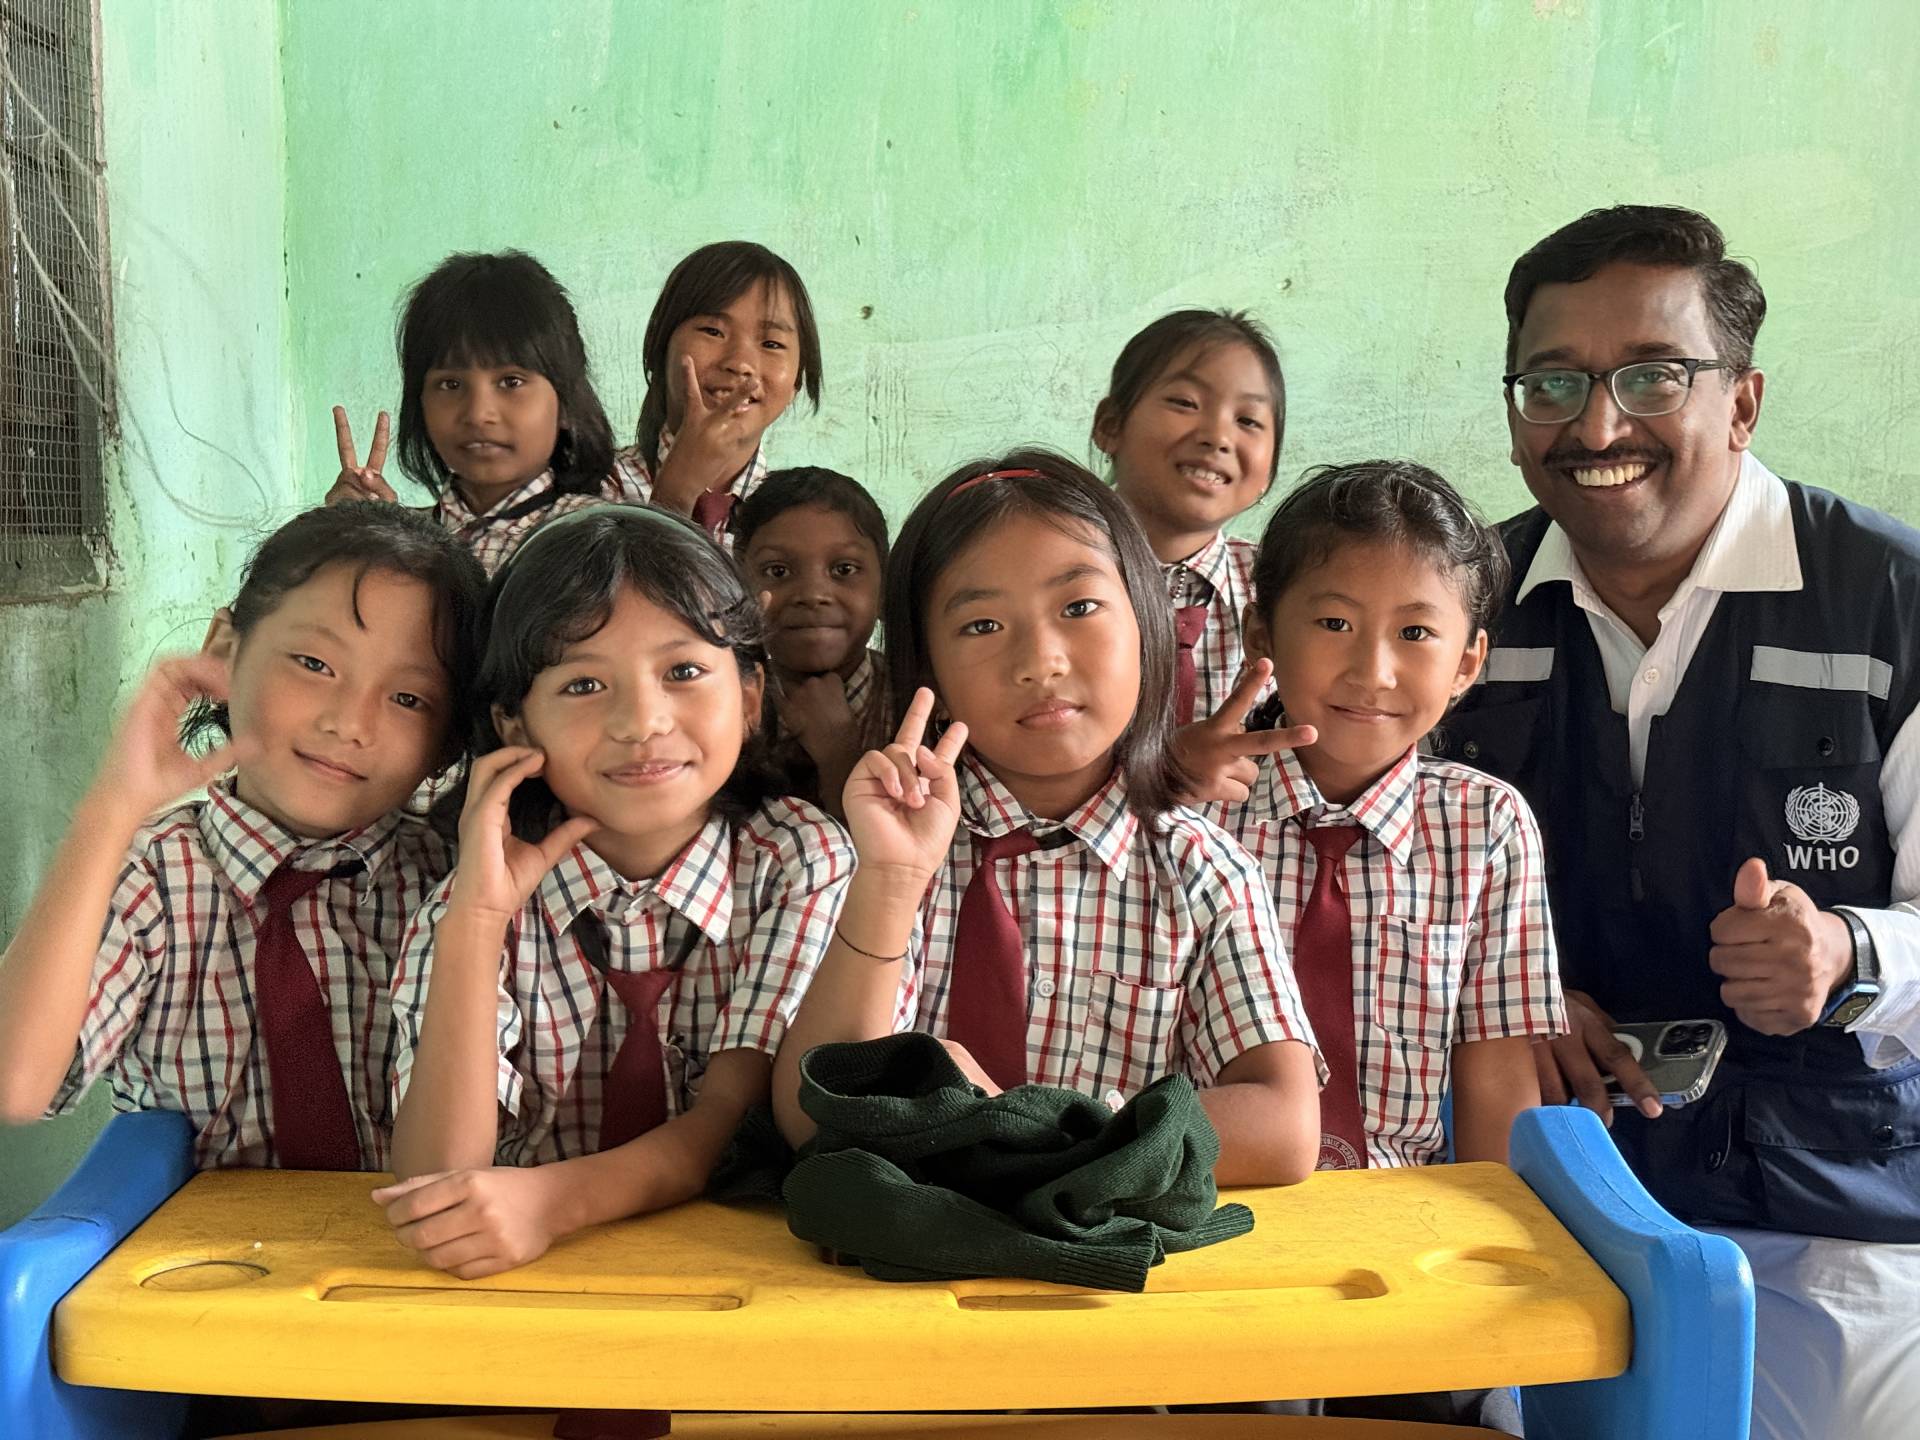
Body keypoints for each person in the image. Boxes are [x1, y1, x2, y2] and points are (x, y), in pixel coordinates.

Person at [1438, 203, 1920, 1440]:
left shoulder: (1889, 602)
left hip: (1835, 1209)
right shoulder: (1456, 612)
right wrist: (1504, 998)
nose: (1598, 428)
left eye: (1653, 376)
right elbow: (1357, 885)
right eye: (1553, 383)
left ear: (1742, 403)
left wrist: (1850, 954)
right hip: (1541, 1201)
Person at [773, 449, 1323, 1186]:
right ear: (930, 670)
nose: (1040, 661)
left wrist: (1033, 1128)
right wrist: (892, 882)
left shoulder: (1202, 873)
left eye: (1078, 608)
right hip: (901, 1250)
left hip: (1107, 1250)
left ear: (1146, 621)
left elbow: (1284, 1129)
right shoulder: (872, 855)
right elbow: (810, 1118)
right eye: (982, 625)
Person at [382, 504, 851, 1279]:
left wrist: (553, 1203)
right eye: (584, 683)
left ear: (751, 696)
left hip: (743, 1284)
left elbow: (730, 1123)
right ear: (515, 728)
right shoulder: (482, 890)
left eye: (683, 672)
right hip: (524, 1290)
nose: (641, 722)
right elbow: (437, 1183)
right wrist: (477, 921)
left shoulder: (799, 860)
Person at [0, 503, 485, 1169]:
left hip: (403, 1232)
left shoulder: (459, 885)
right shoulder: (154, 878)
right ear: (225, 649)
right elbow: (17, 1083)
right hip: (205, 1235)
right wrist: (110, 811)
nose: (350, 723)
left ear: (447, 742)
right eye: (314, 663)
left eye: (408, 699)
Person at [1229, 459, 1563, 1177]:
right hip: (1211, 1200)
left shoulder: (1487, 826)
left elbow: (1497, 1081)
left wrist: (1492, 1231)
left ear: (1468, 663)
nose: (1372, 671)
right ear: (1262, 633)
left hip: (1405, 1212)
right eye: (1334, 623)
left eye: (1415, 632)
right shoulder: (1198, 812)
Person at [1091, 308, 1297, 803]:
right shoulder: (1048, 578)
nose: (1217, 437)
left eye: (1248, 421)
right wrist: (1155, 772)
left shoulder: (1282, 588)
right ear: (1111, 425)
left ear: (1269, 469)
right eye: (1185, 403)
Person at [326, 250, 624, 575]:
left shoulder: (598, 542)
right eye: (451, 384)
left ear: (565, 401)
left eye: (511, 382)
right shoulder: (407, 543)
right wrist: (355, 541)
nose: (479, 414)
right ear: (420, 403)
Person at [613, 241, 823, 546]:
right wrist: (676, 493)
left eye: (771, 344)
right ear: (661, 345)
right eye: (713, 332)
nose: (740, 363)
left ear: (797, 382)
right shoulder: (597, 491)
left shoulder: (799, 523)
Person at [735, 465, 890, 819]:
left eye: (844, 569)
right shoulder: (725, 702)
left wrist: (838, 755)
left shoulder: (914, 702)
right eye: (777, 571)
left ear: (885, 590)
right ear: (739, 586)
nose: (813, 594)